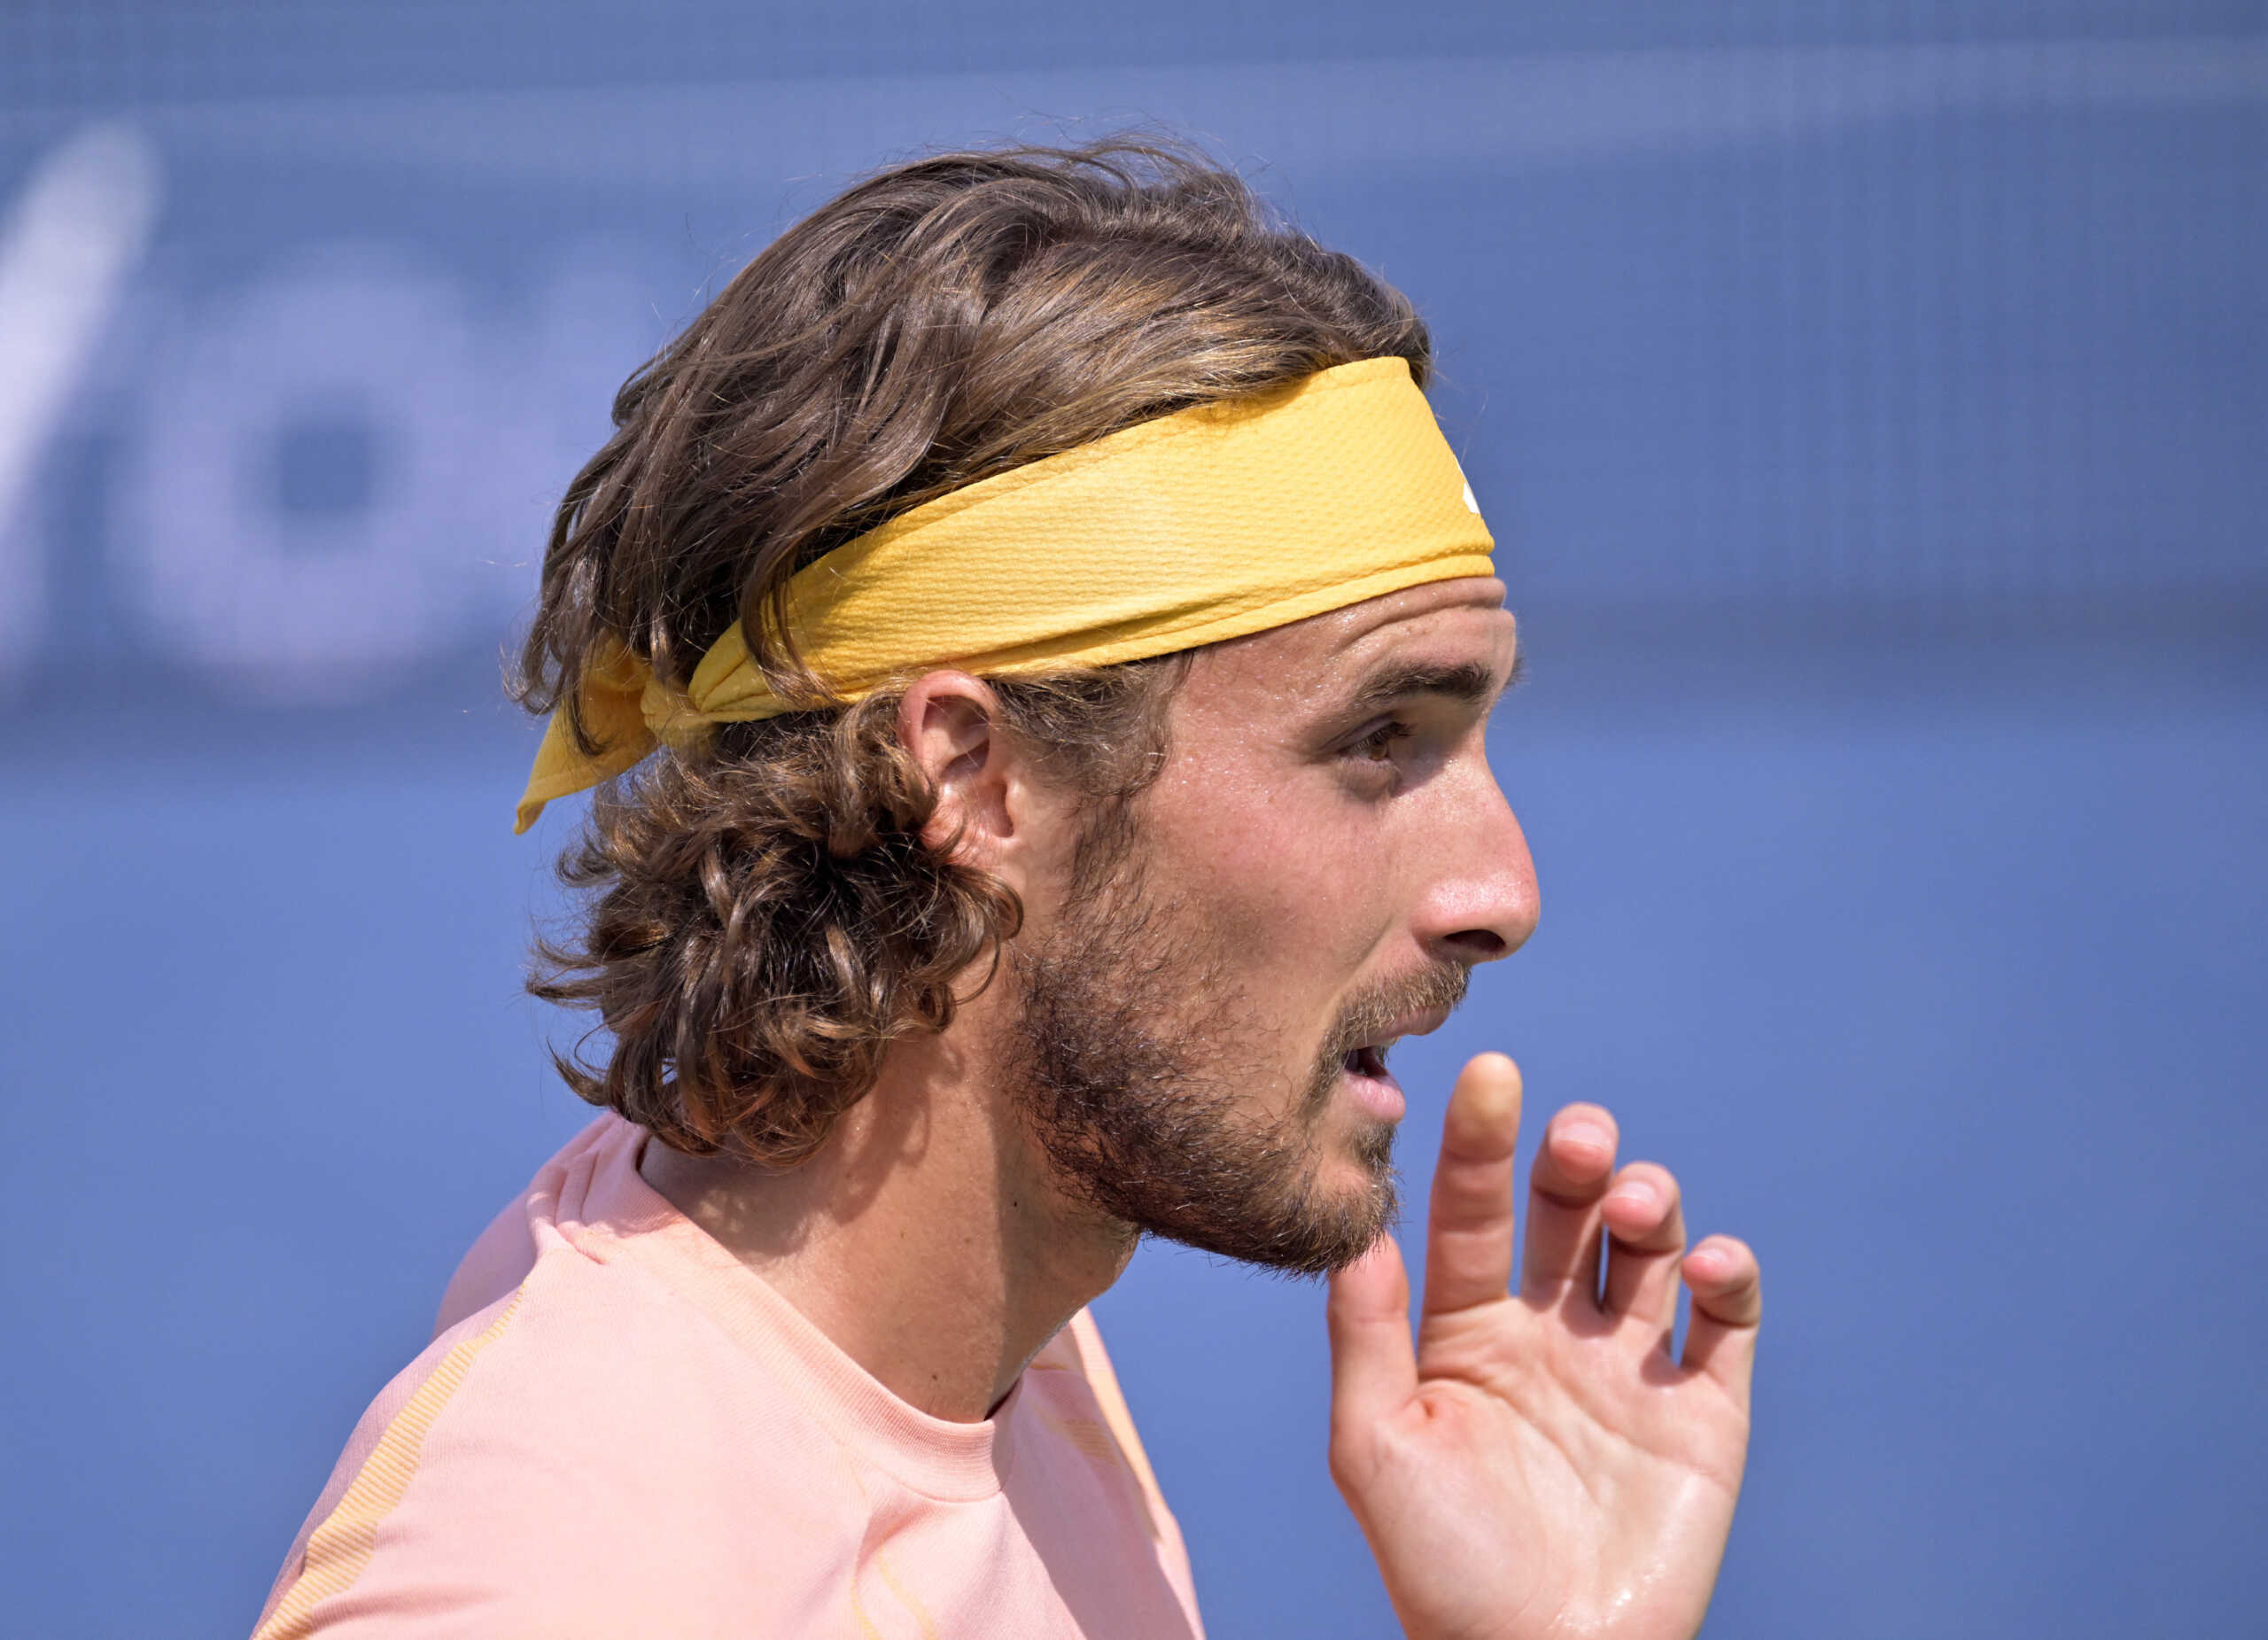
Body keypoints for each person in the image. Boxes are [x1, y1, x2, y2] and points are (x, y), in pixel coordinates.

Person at [252, 141, 1761, 1640]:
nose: (1504, 889)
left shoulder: (1002, 1361)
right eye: (1380, 741)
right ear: (968, 776)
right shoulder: (559, 1585)